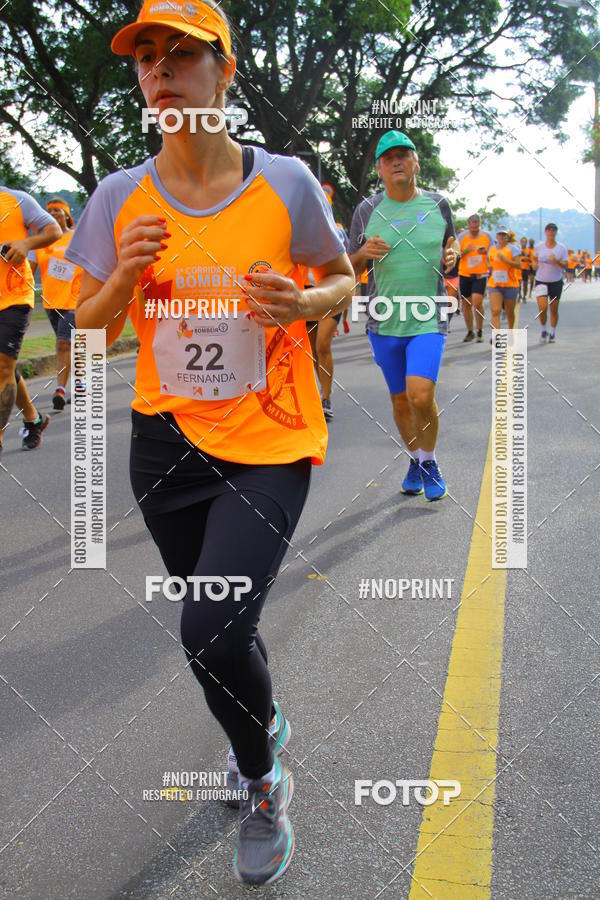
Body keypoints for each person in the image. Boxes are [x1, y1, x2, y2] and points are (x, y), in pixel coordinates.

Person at [66, 0, 354, 886]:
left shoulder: (288, 183)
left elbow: (342, 278)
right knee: (225, 631)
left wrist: (303, 304)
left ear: (226, 72)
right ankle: (260, 723)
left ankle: (262, 783)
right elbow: (83, 329)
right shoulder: (120, 196)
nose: (160, 70)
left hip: (267, 435)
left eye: (182, 54)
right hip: (166, 446)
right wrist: (121, 275)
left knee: (209, 628)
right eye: (146, 57)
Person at [348, 130, 458, 502]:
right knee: (399, 401)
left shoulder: (439, 204)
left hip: (429, 316)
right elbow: (345, 266)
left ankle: (429, 462)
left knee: (420, 395)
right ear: (379, 168)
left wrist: (452, 255)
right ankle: (415, 460)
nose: (396, 161)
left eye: (403, 155)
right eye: (388, 157)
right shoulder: (366, 210)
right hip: (384, 318)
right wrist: (364, 252)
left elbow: (450, 242)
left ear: (415, 162)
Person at [0, 185, 60, 462]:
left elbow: (53, 231)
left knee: (3, 366)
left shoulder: (16, 200)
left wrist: (25, 244)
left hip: (14, 296)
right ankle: (32, 418)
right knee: (5, 368)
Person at [28, 199, 82, 409]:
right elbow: (29, 271)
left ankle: (60, 389)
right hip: (51, 301)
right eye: (48, 211)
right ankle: (79, 383)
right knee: (70, 344)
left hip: (74, 298)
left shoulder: (77, 237)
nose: (52, 213)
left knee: (63, 344)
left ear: (66, 214)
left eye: (57, 210)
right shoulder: (40, 241)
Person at [457, 214, 491, 342]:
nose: (475, 229)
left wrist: (485, 252)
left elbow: (494, 253)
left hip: (480, 274)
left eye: (477, 227)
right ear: (468, 225)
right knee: (466, 304)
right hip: (465, 274)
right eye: (472, 227)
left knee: (477, 302)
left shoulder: (487, 236)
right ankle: (470, 331)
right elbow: (455, 253)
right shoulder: (461, 237)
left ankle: (480, 330)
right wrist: (465, 251)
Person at [534, 223, 568, 343]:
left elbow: (566, 265)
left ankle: (552, 331)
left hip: (555, 281)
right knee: (542, 308)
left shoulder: (561, 248)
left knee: (553, 309)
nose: (551, 232)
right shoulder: (539, 247)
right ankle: (543, 330)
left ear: (556, 233)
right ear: (545, 232)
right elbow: (534, 259)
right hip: (541, 281)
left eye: (553, 230)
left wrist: (556, 261)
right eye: (549, 230)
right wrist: (534, 264)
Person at [487, 227, 521, 338]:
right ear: (496, 236)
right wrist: (489, 266)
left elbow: (518, 265)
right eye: (500, 234)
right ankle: (495, 336)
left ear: (507, 237)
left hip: (510, 285)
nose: (502, 237)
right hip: (495, 284)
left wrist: (505, 260)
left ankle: (511, 331)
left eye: (504, 235)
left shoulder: (513, 249)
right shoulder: (492, 249)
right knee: (495, 310)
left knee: (509, 311)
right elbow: (488, 261)